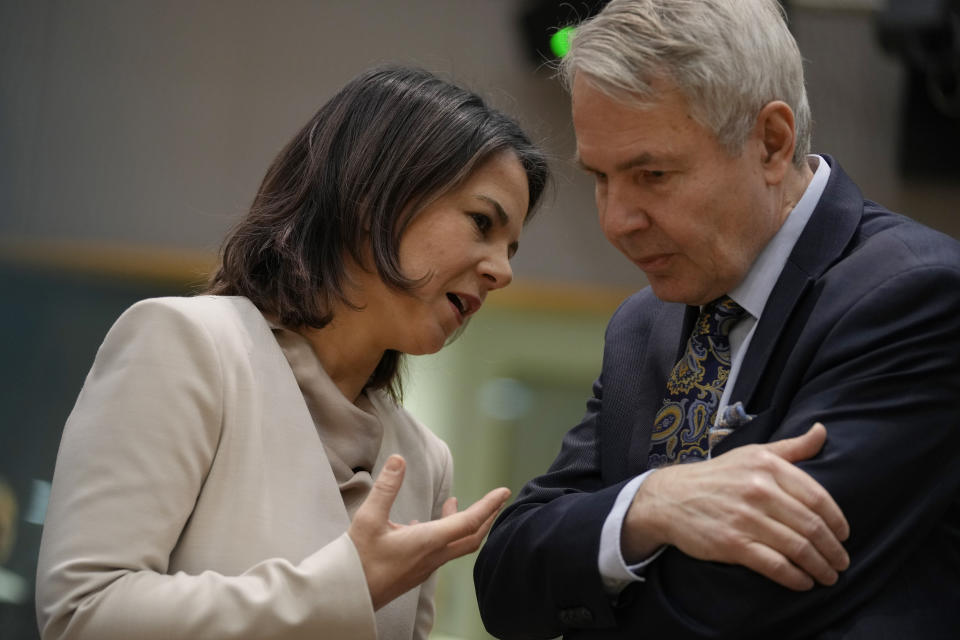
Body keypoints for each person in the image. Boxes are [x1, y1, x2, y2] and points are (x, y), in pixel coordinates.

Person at [474, 1, 960, 638]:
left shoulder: (916, 296)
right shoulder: (642, 324)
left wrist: (594, 553)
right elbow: (505, 574)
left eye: (652, 174)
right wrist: (648, 506)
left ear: (771, 143)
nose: (617, 220)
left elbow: (748, 600)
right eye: (600, 178)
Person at [35, 65, 549, 640]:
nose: (501, 271)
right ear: (371, 193)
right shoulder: (188, 344)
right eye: (482, 222)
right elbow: (82, 614)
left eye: (511, 248)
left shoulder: (424, 459)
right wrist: (344, 585)